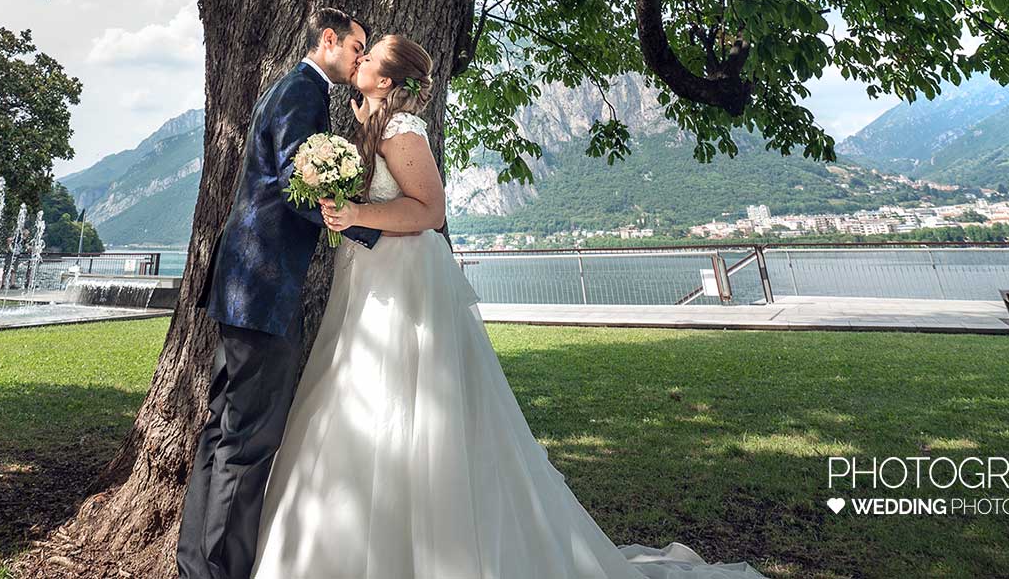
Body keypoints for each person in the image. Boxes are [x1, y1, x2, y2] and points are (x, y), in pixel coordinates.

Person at [247, 33, 766, 579]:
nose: (361, 59)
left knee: (403, 402)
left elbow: (428, 210)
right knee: (358, 397)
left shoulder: (403, 130)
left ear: (386, 80)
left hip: (404, 281)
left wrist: (355, 215)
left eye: (370, 56)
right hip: (370, 276)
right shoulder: (375, 121)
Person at [177, 6, 385, 579]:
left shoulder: (288, 88)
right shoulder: (303, 94)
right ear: (328, 40)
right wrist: (370, 229)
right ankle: (218, 572)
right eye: (355, 49)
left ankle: (196, 562)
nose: (359, 59)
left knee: (223, 428)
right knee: (248, 440)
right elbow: (302, 183)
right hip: (262, 289)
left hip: (243, 287)